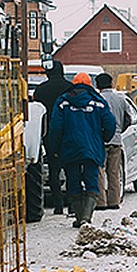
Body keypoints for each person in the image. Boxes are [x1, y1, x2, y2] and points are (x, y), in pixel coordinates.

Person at [47, 72, 116, 227]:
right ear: (89, 85)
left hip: (70, 147)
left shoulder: (63, 102)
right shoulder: (98, 101)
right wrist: (103, 138)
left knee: (73, 181)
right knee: (92, 181)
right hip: (92, 147)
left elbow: (56, 127)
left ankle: (79, 217)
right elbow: (110, 123)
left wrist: (55, 147)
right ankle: (86, 217)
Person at [33, 60, 73, 214]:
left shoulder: (41, 90)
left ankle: (58, 205)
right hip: (68, 134)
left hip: (48, 134)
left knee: (54, 170)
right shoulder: (70, 89)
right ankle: (71, 203)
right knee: (71, 170)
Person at [94, 72, 133, 210]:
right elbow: (129, 118)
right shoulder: (121, 99)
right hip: (116, 141)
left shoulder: (97, 99)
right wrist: (119, 130)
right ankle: (114, 201)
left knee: (99, 171)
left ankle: (101, 202)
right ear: (111, 83)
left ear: (97, 86)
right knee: (114, 172)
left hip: (100, 141)